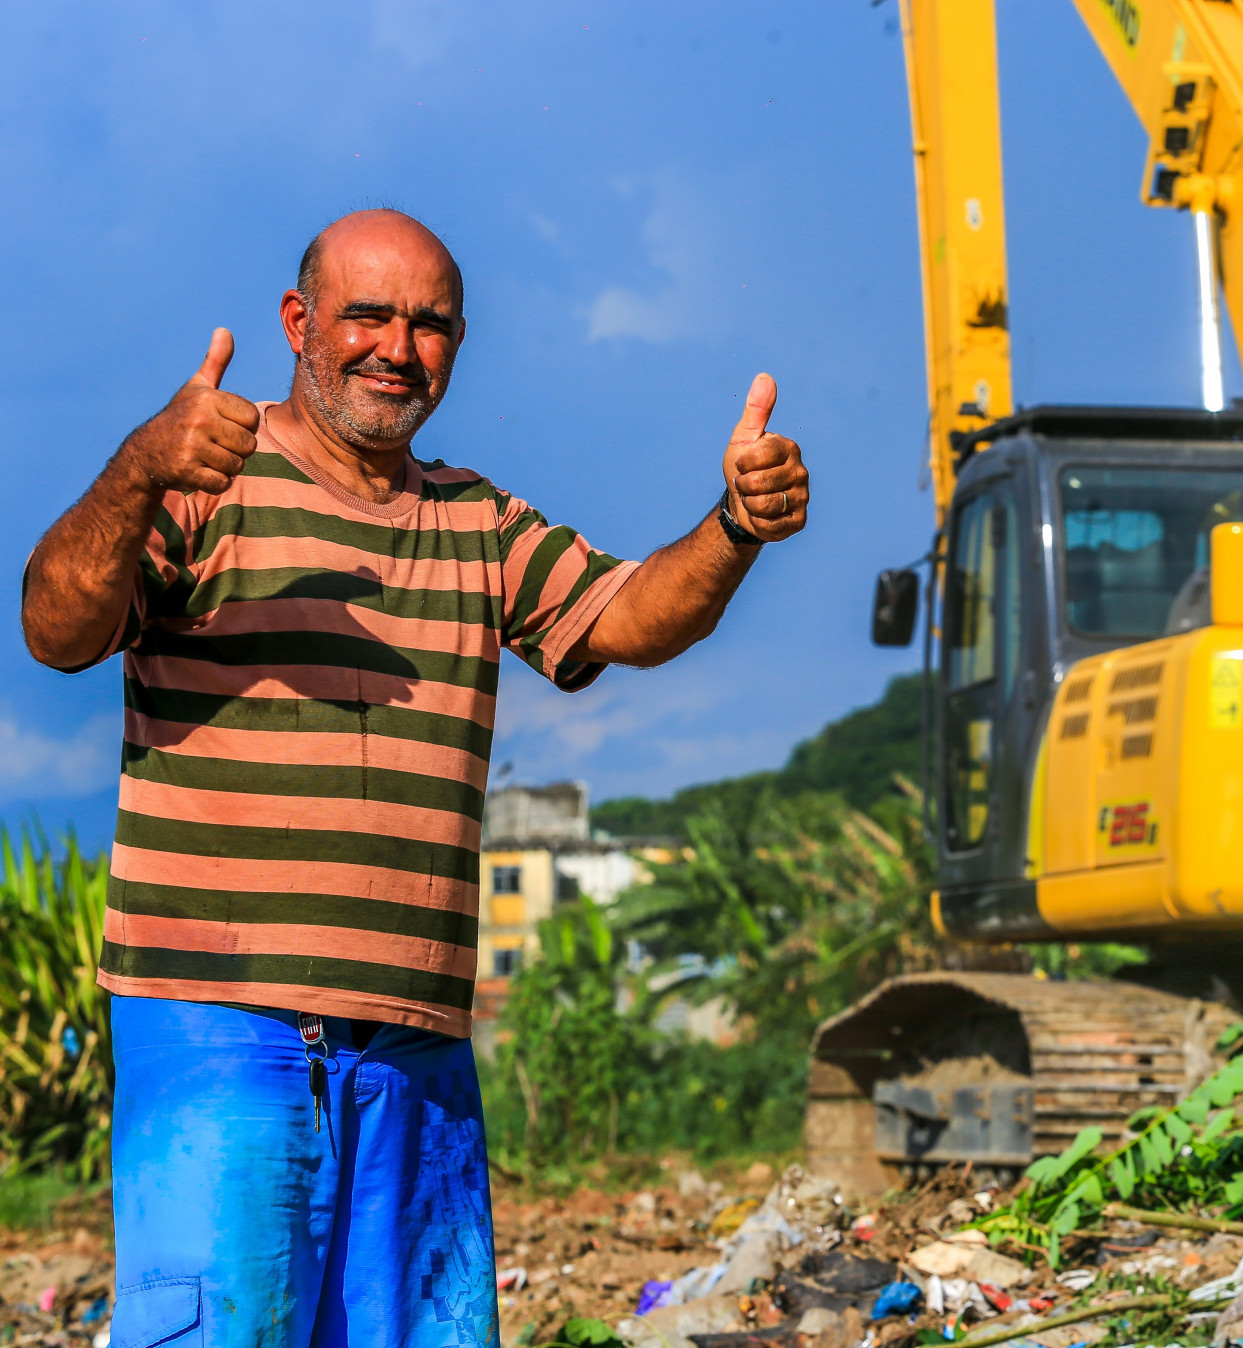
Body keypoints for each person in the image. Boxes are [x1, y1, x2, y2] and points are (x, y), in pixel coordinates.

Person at [19, 209, 809, 1347]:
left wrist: (736, 523)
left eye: (430, 324)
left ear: (459, 343)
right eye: (369, 315)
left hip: (414, 1050)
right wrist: (142, 465)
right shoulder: (204, 486)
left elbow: (630, 614)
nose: (398, 346)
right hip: (220, 1033)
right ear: (299, 323)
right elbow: (55, 625)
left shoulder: (476, 519)